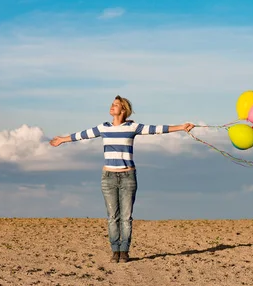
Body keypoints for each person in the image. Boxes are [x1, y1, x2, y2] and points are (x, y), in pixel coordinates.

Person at [49, 95, 195, 263]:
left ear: (123, 110)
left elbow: (156, 129)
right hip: (108, 177)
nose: (112, 107)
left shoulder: (132, 127)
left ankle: (124, 251)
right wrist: (62, 139)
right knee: (112, 217)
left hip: (128, 177)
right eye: (112, 104)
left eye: (116, 105)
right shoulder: (103, 128)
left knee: (126, 217)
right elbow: (82, 135)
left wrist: (181, 127)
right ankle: (115, 251)